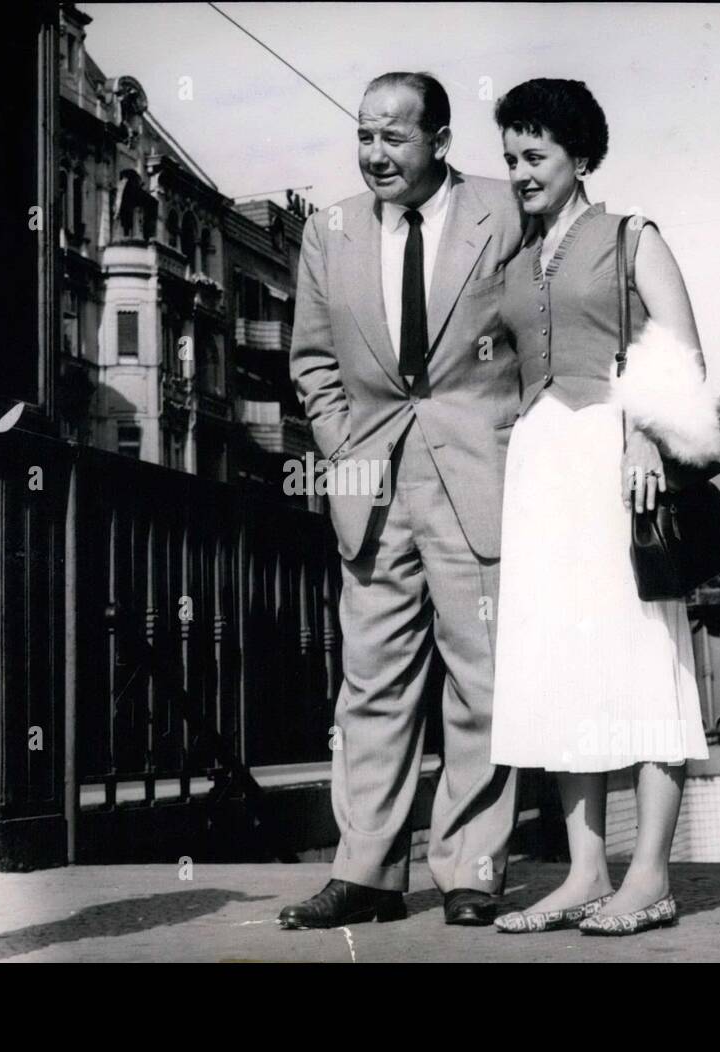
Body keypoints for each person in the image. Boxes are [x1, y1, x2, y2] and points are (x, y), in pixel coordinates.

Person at [282, 72, 525, 929]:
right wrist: (341, 442)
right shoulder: (330, 229)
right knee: (371, 685)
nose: (375, 152)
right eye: (364, 135)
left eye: (394, 136)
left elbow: (548, 330)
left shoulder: (506, 208)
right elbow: (311, 359)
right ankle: (369, 875)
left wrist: (521, 437)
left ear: (440, 141)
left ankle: (471, 869)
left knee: (482, 682)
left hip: (480, 474)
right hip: (368, 484)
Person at [488, 79, 720, 936]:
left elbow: (680, 345)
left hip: (620, 466)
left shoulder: (633, 236)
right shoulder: (518, 258)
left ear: (579, 155)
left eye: (535, 155)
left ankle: (650, 876)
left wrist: (647, 436)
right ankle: (586, 873)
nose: (518, 172)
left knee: (642, 660)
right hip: (541, 468)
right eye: (510, 156)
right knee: (555, 666)